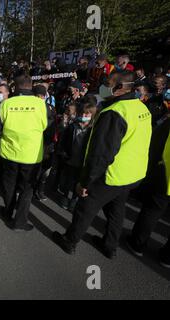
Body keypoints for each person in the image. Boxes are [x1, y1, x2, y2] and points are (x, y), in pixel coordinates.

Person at [53, 72, 152, 259]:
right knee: (116, 209)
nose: (103, 86)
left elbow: (101, 154)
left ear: (120, 87)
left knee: (86, 207)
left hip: (111, 174)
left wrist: (86, 182)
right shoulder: (140, 107)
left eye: (107, 83)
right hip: (133, 172)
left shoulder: (114, 113)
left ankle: (70, 241)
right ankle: (109, 245)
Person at [0, 75, 49, 232]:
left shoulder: (6, 104)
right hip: (31, 155)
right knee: (27, 189)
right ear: (30, 87)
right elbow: (46, 126)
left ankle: (8, 212)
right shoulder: (40, 104)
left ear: (14, 88)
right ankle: (20, 221)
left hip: (9, 154)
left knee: (9, 185)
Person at [126, 116, 170, 268]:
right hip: (165, 176)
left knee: (152, 210)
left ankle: (137, 243)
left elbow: (156, 144)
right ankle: (167, 257)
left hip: (165, 175)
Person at [57, 95, 97, 211]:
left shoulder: (92, 129)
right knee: (68, 180)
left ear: (92, 115)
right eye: (83, 114)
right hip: (70, 158)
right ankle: (65, 196)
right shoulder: (72, 126)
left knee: (78, 182)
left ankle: (74, 199)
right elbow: (64, 140)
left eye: (87, 114)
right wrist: (63, 151)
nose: (84, 116)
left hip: (82, 161)